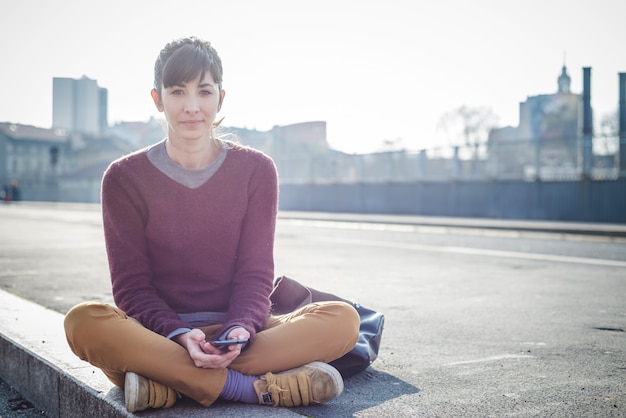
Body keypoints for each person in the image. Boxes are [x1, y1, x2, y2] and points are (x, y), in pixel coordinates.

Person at [63, 36, 360, 413]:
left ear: (220, 98)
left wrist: (239, 329)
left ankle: (167, 384)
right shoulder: (123, 178)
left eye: (204, 92)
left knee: (342, 319)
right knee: (83, 323)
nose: (191, 107)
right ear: (158, 99)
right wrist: (181, 335)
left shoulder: (256, 170)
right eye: (177, 92)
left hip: (241, 336)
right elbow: (132, 288)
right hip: (161, 338)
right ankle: (253, 389)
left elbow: (256, 274)